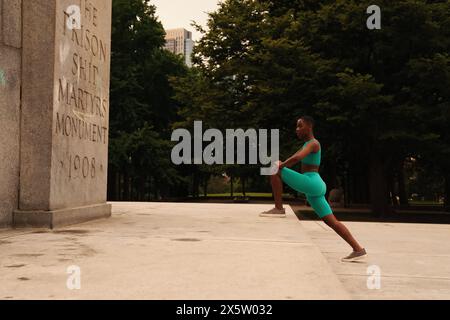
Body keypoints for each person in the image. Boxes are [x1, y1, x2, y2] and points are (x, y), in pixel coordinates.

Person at [260, 116, 367, 262]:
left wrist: (281, 165)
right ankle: (358, 249)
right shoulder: (307, 144)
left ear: (309, 127)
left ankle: (279, 208)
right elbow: (295, 155)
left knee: (273, 169)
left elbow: (298, 158)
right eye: (296, 126)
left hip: (312, 182)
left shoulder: (313, 143)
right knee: (331, 221)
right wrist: (283, 162)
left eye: (300, 126)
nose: (297, 129)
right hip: (314, 187)